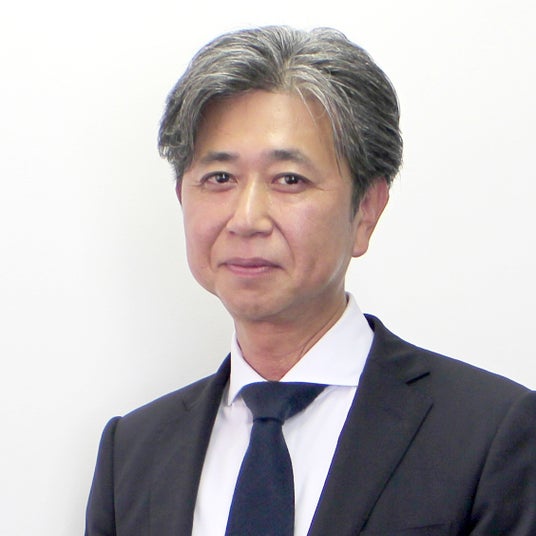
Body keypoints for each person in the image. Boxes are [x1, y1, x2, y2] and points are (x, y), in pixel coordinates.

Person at [85, 26, 536, 535]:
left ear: (366, 210)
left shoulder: (490, 434)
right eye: (220, 179)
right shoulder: (132, 453)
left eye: (289, 180)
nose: (246, 219)